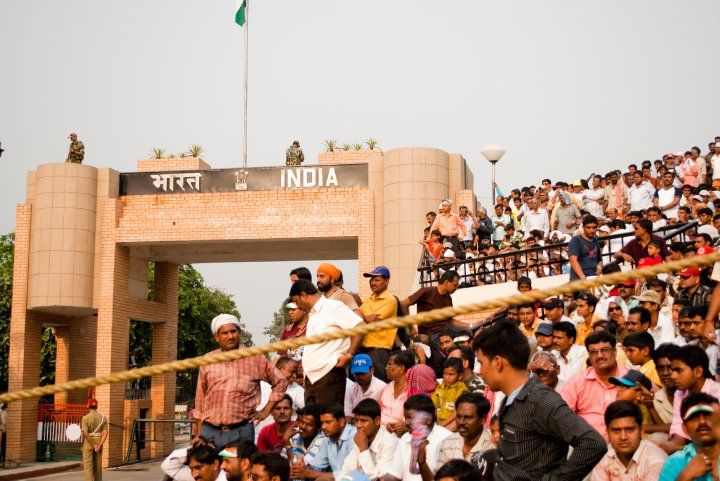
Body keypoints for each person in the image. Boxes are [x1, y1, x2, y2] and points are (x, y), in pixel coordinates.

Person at [472, 320, 606, 480]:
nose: (479, 371)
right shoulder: (509, 399)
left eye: (481, 363)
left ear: (498, 363)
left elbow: (592, 443)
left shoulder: (541, 400)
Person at [194, 314, 288, 448]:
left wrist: (266, 411)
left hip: (241, 430)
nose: (230, 336)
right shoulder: (207, 360)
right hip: (210, 431)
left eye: (233, 331)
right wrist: (198, 432)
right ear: (217, 337)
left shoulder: (254, 358)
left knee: (239, 468)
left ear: (239, 332)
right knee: (208, 468)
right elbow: (200, 397)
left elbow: (281, 382)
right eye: (224, 333)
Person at [289, 280, 364, 406]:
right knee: (312, 424)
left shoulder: (333, 307)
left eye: (296, 302)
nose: (298, 306)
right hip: (310, 380)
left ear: (304, 295)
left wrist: (349, 356)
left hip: (329, 375)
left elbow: (360, 327)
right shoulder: (312, 315)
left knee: (329, 423)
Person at [561, 330, 629, 440]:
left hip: (624, 442)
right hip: (584, 443)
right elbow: (563, 416)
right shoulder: (577, 381)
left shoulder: (630, 378)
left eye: (605, 350)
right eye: (593, 352)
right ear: (589, 355)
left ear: (615, 351)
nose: (599, 356)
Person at [381, 394, 453, 481]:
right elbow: (394, 475)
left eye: (410, 418)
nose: (406, 422)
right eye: (405, 417)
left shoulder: (448, 440)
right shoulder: (406, 437)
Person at [590, 400, 667, 481]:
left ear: (641, 431)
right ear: (607, 433)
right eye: (616, 430)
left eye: (629, 429)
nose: (623, 437)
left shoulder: (655, 461)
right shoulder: (602, 456)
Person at [664, 345, 720, 453]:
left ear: (698, 371)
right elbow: (678, 428)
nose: (673, 376)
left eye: (678, 370)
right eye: (672, 371)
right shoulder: (679, 393)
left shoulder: (718, 393)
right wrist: (669, 447)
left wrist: (677, 449)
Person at [658, 392, 720, 481]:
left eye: (708, 415)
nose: (702, 421)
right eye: (693, 417)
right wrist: (685, 476)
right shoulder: (674, 463)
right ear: (684, 428)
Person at [359, 266, 399, 382]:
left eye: (377, 280)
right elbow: (356, 318)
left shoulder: (390, 300)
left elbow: (372, 320)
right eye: (371, 280)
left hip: (379, 352)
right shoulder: (369, 300)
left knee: (380, 387)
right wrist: (365, 317)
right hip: (364, 350)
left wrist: (363, 317)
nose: (372, 283)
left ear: (386, 281)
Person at [341, 399, 399, 479]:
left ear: (377, 420)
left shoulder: (389, 443)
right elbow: (345, 470)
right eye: (356, 420)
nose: (358, 425)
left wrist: (363, 449)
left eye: (363, 421)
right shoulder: (361, 439)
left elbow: (378, 479)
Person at [296, 403, 357, 480]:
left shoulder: (354, 436)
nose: (323, 427)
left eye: (328, 422)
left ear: (341, 422)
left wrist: (309, 473)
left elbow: (349, 474)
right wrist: (302, 469)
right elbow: (317, 465)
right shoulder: (328, 437)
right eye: (322, 423)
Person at [436, 392, 494, 468]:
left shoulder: (493, 445)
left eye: (468, 417)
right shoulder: (448, 442)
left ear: (482, 419)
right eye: (459, 416)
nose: (461, 422)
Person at [401, 271, 461, 338]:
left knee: (468, 333)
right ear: (446, 282)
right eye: (455, 285)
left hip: (447, 330)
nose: (456, 288)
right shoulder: (427, 291)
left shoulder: (448, 298)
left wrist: (470, 325)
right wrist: (411, 328)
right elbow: (403, 304)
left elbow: (450, 320)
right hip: (431, 335)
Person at [379, 351, 413, 434]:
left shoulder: (413, 390)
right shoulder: (387, 387)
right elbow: (378, 409)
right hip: (380, 430)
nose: (386, 368)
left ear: (401, 368)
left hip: (401, 433)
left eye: (389, 365)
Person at [345, 354, 387, 421]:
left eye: (363, 373)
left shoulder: (382, 388)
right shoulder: (352, 388)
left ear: (372, 370)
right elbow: (348, 415)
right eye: (356, 374)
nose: (360, 377)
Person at [432, 358, 468, 429]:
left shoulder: (461, 389)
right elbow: (433, 406)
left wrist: (441, 426)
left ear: (460, 376)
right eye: (445, 373)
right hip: (438, 424)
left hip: (451, 424)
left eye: (451, 374)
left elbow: (457, 411)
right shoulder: (440, 387)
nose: (447, 377)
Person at [278, 301, 307, 380]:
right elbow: (282, 357)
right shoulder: (287, 331)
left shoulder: (314, 329)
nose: (290, 312)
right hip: (290, 381)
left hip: (309, 379)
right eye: (289, 309)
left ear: (304, 309)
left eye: (293, 309)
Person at [568, 215, 602, 281]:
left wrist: (599, 267)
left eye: (594, 227)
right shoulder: (576, 240)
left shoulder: (595, 240)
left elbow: (599, 260)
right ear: (583, 227)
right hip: (579, 280)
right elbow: (573, 260)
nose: (591, 230)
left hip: (593, 278)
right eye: (588, 227)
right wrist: (583, 277)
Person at [81, 399, 107, 481]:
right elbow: (106, 433)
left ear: (88, 406)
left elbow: (85, 433)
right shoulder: (103, 418)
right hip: (99, 441)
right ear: (97, 406)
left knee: (88, 468)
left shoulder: (85, 418)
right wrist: (99, 445)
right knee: (98, 467)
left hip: (89, 443)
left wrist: (93, 445)